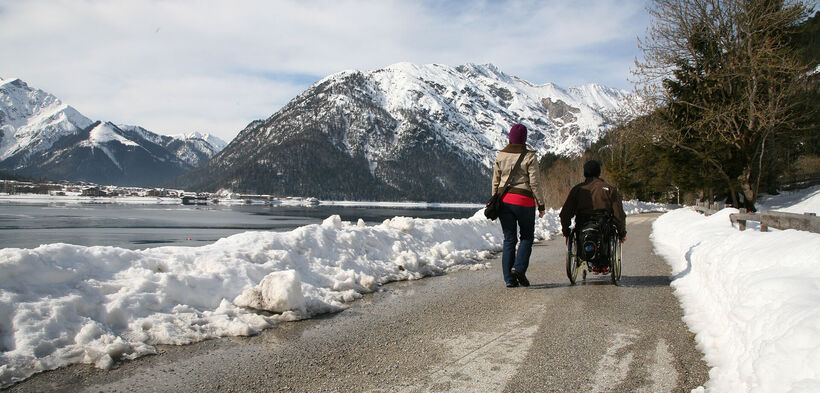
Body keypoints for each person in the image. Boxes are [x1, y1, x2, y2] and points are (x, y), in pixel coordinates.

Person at [492, 123, 545, 288]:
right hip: (524, 201)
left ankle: (509, 279)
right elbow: (534, 182)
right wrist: (541, 204)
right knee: (527, 237)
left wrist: (494, 199)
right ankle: (519, 268)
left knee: (509, 239)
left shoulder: (500, 156)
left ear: (510, 137)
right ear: (524, 139)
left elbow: (495, 181)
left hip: (504, 202)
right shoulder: (530, 156)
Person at [559, 160, 627, 272]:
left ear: (584, 173)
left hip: (583, 223)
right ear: (599, 172)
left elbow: (565, 213)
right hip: (604, 223)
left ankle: (588, 258)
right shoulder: (609, 189)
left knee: (584, 235)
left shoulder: (577, 190)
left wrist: (566, 230)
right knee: (606, 234)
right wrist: (621, 233)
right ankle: (604, 263)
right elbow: (619, 214)